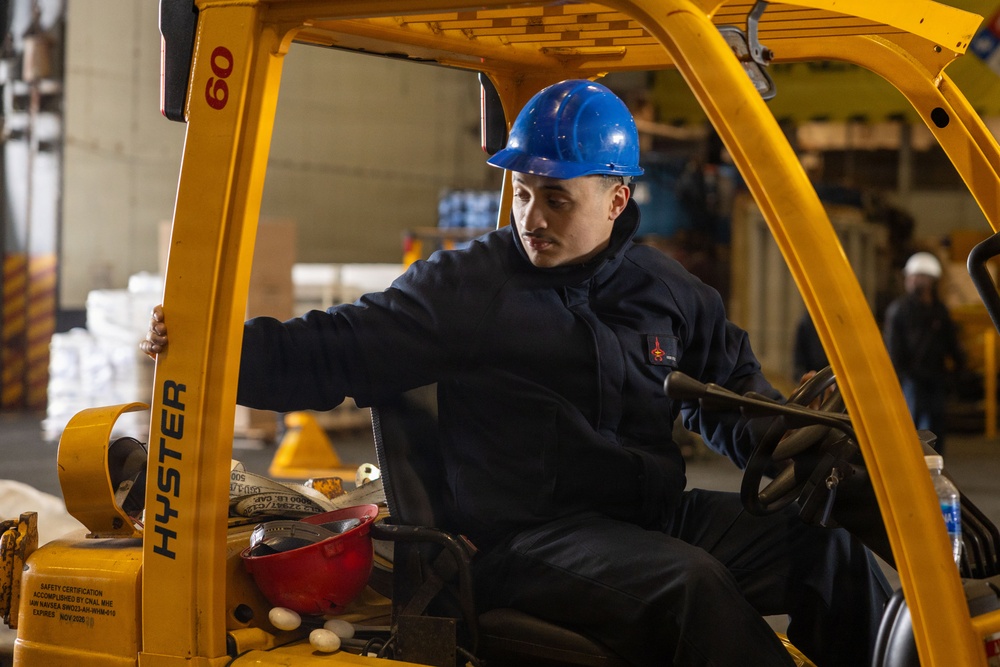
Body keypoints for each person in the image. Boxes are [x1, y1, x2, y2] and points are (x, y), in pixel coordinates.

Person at [143, 80, 889, 666]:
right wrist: (212, 347)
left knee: (831, 549)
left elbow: (733, 403)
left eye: (556, 198)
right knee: (689, 586)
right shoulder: (467, 288)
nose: (531, 215)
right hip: (529, 542)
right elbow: (339, 347)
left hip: (651, 520)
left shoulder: (672, 293)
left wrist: (804, 446)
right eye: (524, 191)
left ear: (617, 198)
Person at [883, 251, 965, 454]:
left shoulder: (940, 311)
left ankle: (936, 468)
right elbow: (894, 349)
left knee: (936, 427)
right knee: (914, 428)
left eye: (919, 276)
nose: (914, 281)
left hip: (935, 378)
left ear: (931, 280)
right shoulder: (899, 310)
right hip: (912, 379)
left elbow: (951, 343)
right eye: (912, 277)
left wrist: (959, 370)